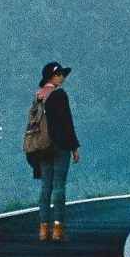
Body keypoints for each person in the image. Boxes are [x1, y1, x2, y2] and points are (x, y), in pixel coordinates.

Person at [32, 61, 81, 240]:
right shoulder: (59, 95)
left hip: (42, 146)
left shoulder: (39, 96)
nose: (62, 78)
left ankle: (43, 229)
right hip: (60, 145)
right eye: (59, 75)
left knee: (46, 186)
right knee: (59, 185)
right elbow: (66, 121)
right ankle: (58, 229)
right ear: (51, 77)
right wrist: (74, 146)